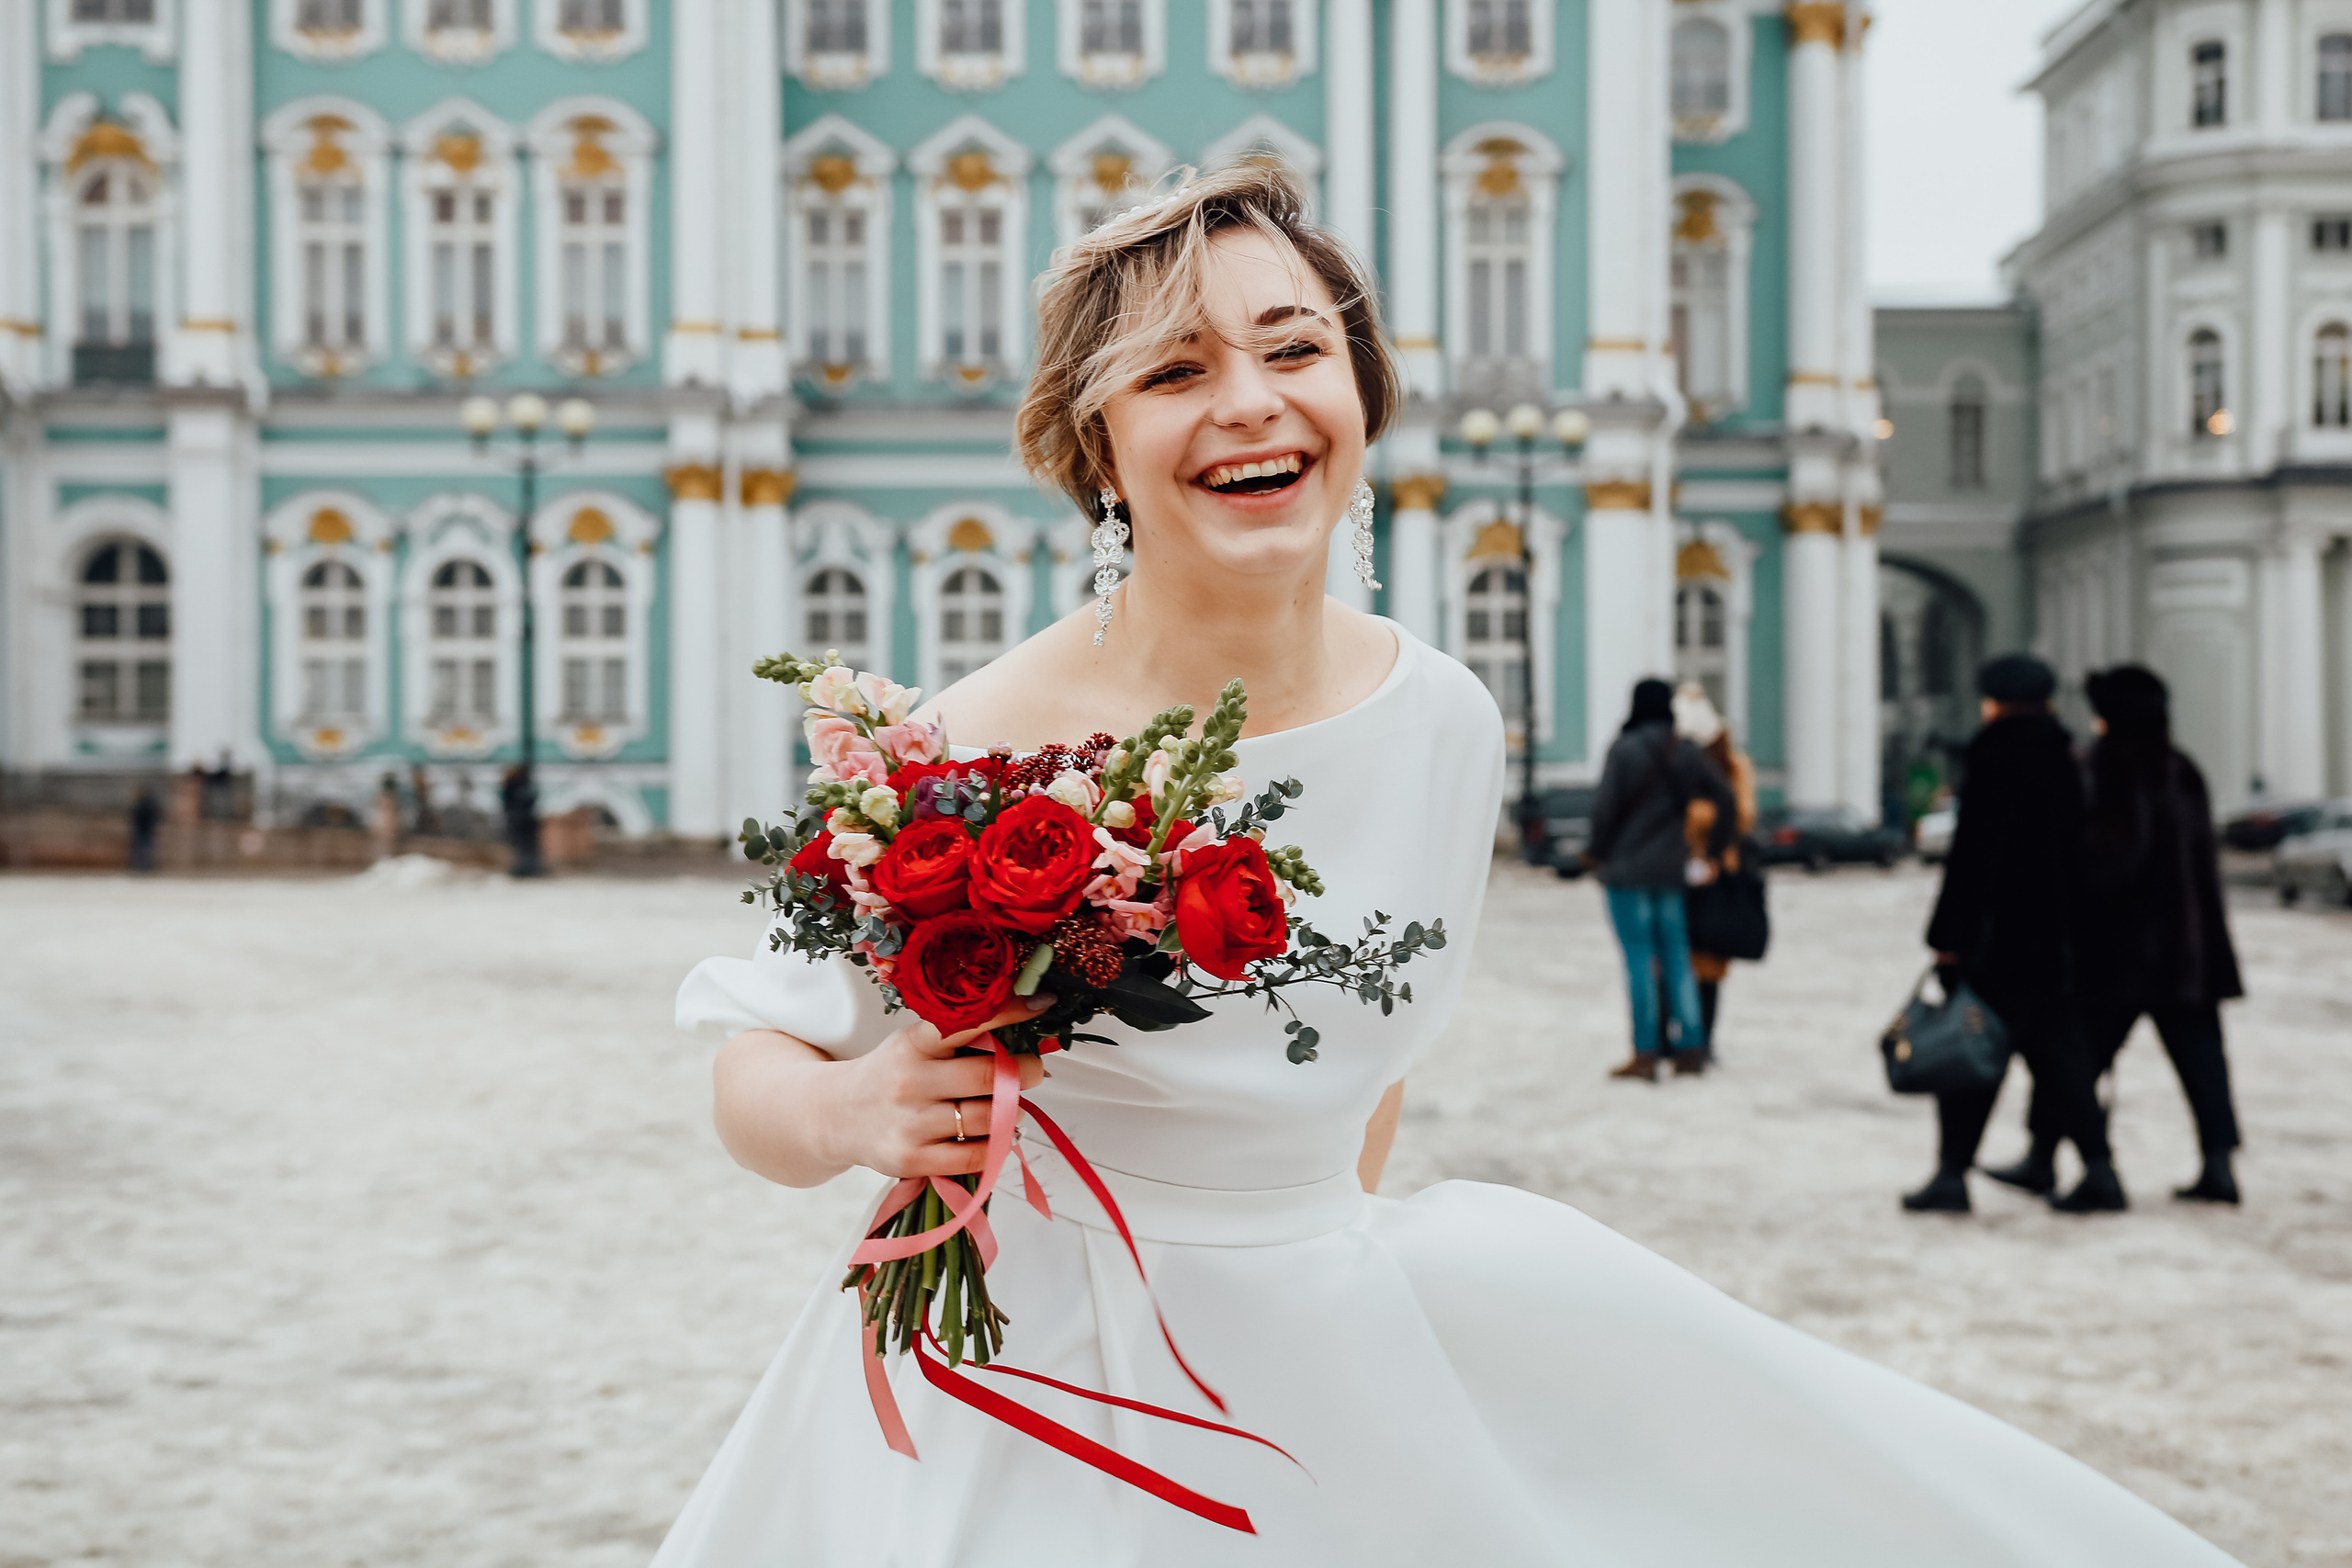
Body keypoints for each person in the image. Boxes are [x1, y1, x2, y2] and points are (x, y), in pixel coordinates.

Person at [658, 164, 2237, 1566]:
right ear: (1098, 439)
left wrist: (1327, 1343)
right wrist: (848, 1110)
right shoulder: (973, 736)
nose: (1252, 401)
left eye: (1294, 349)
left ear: (1362, 393)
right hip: (1017, 1370)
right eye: (1179, 371)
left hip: (1316, 1342)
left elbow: (1376, 1075)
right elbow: (756, 1052)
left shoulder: (1441, 717)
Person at [1990, 666, 2244, 1205]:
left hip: (2122, 953)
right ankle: (2219, 1166)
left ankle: (2043, 1156)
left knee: (2072, 1060)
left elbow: (2112, 862)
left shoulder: (2110, 768)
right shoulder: (2184, 769)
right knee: (2203, 1064)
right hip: (2191, 952)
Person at [1916, 654, 2118, 1216]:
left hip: (1996, 941)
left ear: (1996, 701)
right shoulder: (2067, 759)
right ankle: (2101, 1171)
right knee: (2066, 1066)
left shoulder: (1993, 757)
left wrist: (1947, 935)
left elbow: (1972, 858)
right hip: (2055, 944)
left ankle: (1951, 1174)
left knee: (1968, 1053)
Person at [1589, 677, 1736, 1080]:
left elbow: (1605, 810)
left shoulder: (1624, 750)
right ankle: (1690, 1047)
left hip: (1626, 871)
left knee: (1639, 960)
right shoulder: (1684, 751)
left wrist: (1596, 852)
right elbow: (1726, 797)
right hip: (1671, 870)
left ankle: (1646, 1052)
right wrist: (1715, 851)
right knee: (1676, 958)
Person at [1674, 682, 1757, 1058]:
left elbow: (1742, 814)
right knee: (1678, 958)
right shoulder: (1680, 760)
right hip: (1681, 872)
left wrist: (1697, 819)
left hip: (1720, 874)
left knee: (1710, 962)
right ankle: (1681, 1039)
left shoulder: (1734, 765)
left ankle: (1703, 1040)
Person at [127, 786, 161, 874]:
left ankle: (143, 868)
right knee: (144, 851)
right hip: (145, 831)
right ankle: (144, 867)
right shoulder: (149, 806)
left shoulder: (142, 807)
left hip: (143, 831)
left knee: (143, 851)